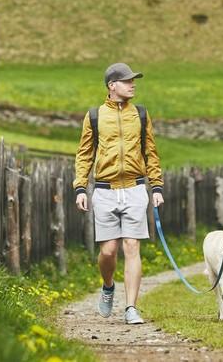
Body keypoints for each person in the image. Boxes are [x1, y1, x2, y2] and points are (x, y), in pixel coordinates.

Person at [74, 62, 164, 325]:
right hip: (104, 191)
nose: (132, 84)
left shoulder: (142, 114)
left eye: (133, 80)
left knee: (132, 246)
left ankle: (131, 308)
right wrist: (80, 187)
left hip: (136, 188)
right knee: (109, 251)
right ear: (112, 86)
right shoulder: (94, 116)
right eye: (127, 81)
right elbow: (84, 155)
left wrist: (156, 186)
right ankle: (108, 285)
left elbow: (151, 153)